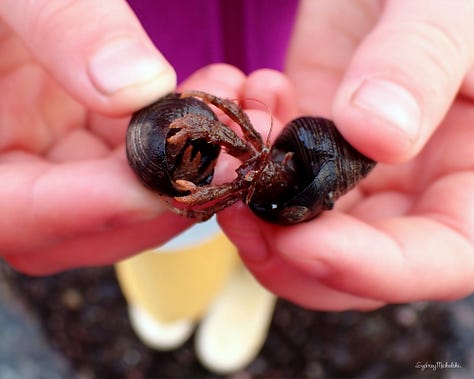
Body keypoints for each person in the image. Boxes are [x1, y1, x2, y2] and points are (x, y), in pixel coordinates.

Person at [0, 0, 473, 311]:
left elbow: (240, 129)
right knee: (168, 245)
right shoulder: (247, 153)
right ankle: (175, 308)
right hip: (139, 55)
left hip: (295, 40)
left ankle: (248, 288)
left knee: (270, 246)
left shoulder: (271, 175)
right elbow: (230, 121)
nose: (252, 168)